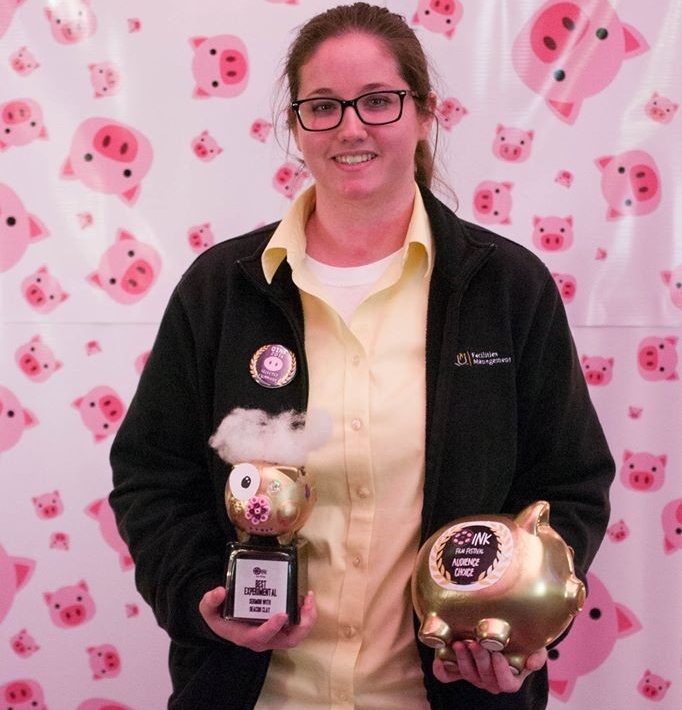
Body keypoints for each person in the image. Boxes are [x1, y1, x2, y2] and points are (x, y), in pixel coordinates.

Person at [109, 3, 615, 709]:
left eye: (378, 101)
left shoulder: (507, 288)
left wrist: (524, 628)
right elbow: (150, 474)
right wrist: (201, 594)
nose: (352, 127)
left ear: (424, 110)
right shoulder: (221, 290)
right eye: (323, 106)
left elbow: (571, 483)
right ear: (294, 125)